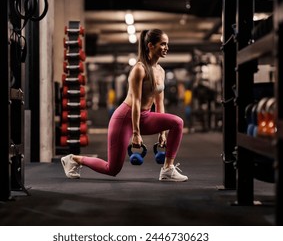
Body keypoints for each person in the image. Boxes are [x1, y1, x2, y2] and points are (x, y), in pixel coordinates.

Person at [61, 29, 188, 182]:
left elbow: (159, 102)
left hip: (145, 116)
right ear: (151, 45)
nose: (167, 47)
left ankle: (168, 169)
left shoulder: (160, 71)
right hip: (125, 117)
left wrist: (162, 133)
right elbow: (136, 102)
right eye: (163, 44)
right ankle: (73, 159)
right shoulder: (139, 70)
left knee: (177, 122)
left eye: (167, 44)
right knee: (112, 169)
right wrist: (136, 133)